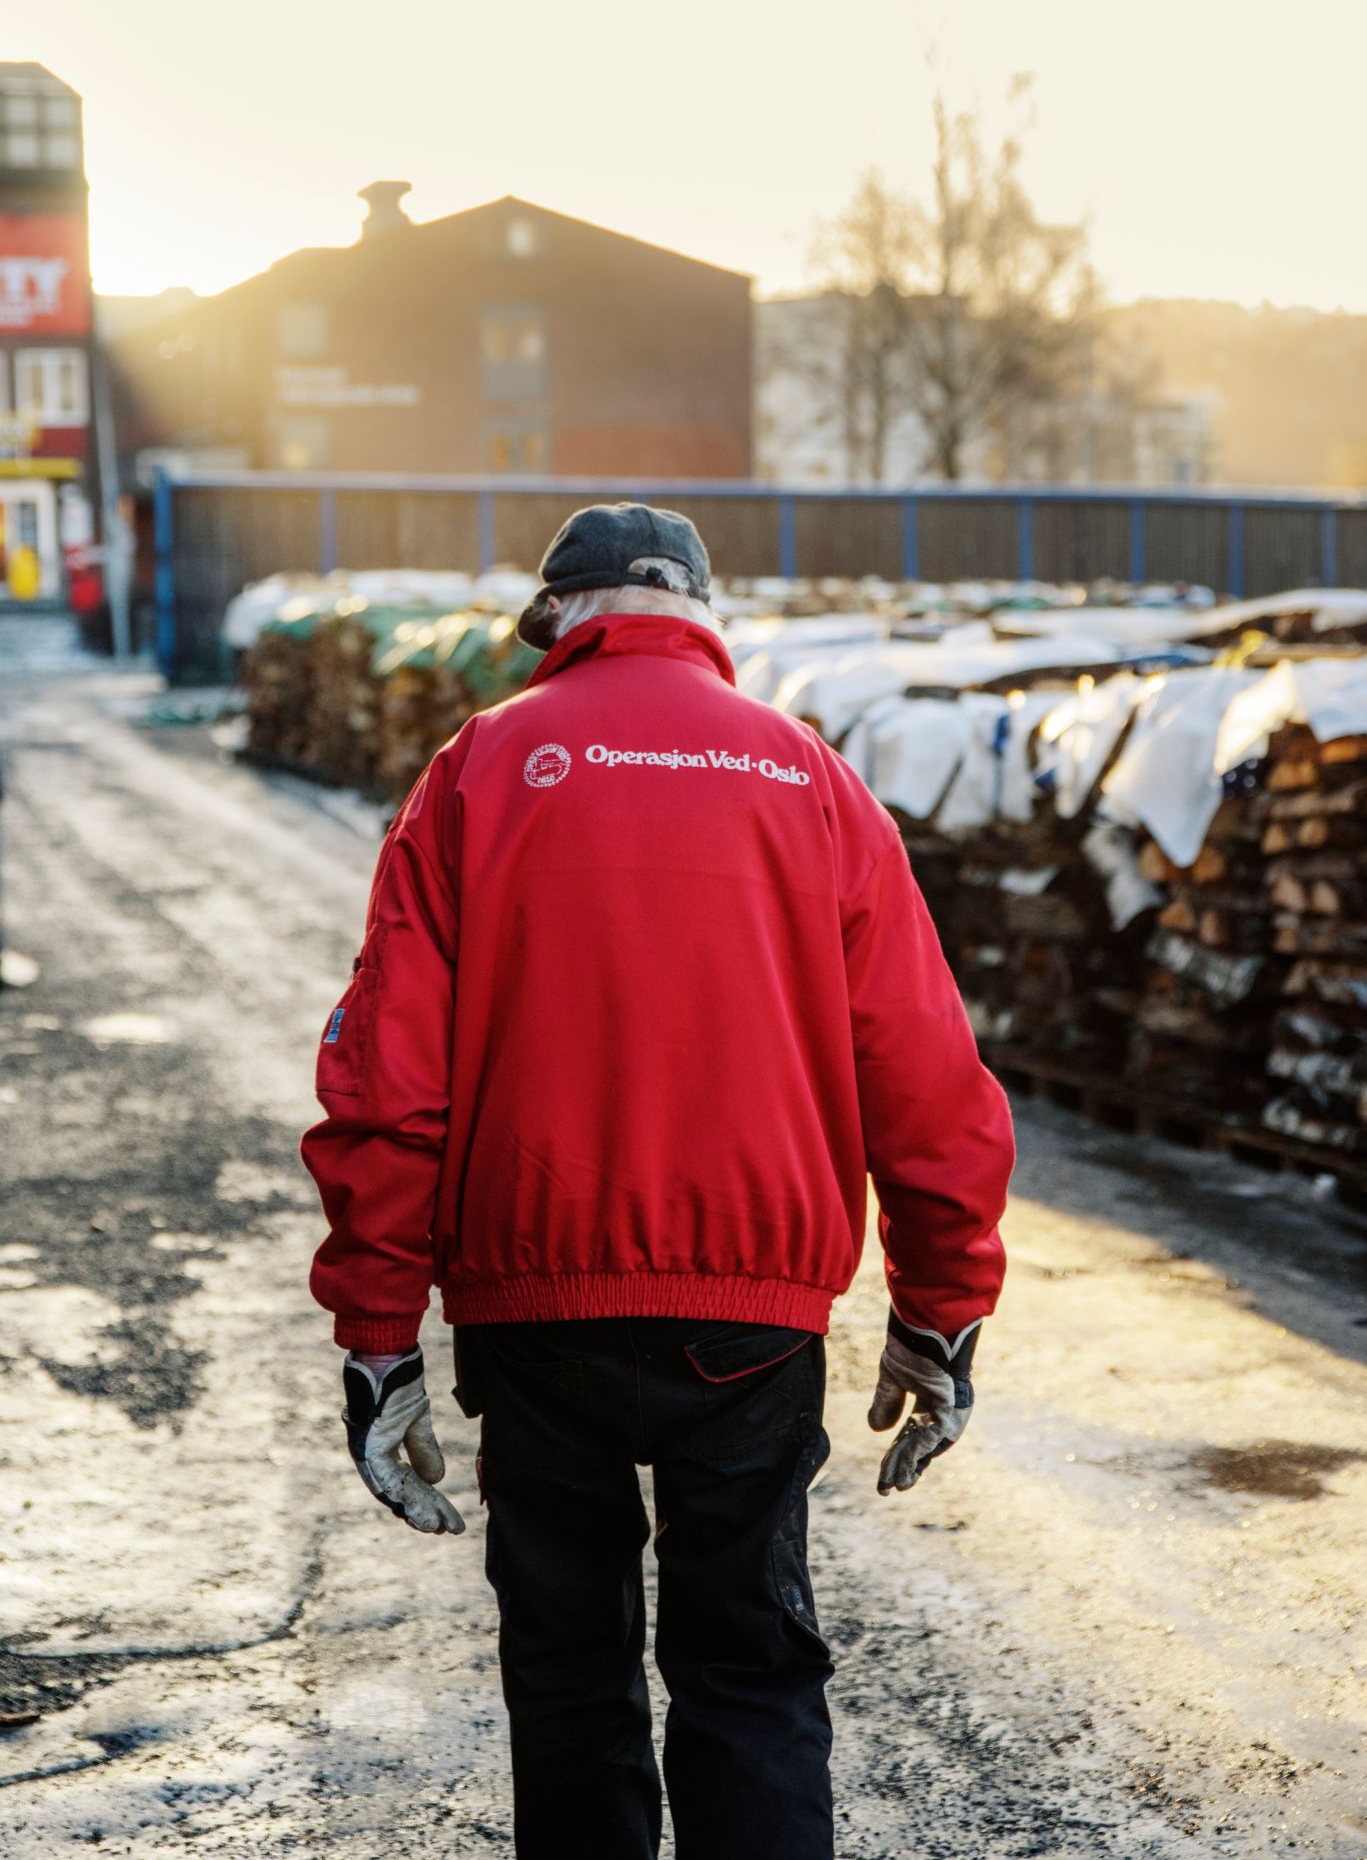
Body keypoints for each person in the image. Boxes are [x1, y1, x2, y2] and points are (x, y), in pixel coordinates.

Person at [302, 502, 1014, 1860]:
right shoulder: (812, 780)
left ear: (557, 621)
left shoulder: (483, 765)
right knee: (748, 1666)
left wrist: (379, 1339)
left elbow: (387, 1084)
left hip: (533, 1317)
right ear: (705, 615)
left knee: (569, 1674)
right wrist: (938, 1312)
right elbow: (929, 1078)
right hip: (751, 1325)